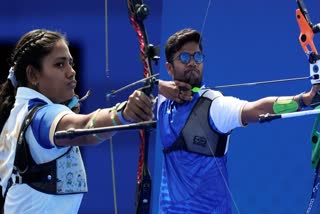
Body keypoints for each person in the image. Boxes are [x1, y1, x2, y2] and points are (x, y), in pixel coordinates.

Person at [157, 28, 319, 213]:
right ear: (169, 68)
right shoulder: (161, 103)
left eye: (198, 57)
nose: (193, 63)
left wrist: (304, 99)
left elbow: (257, 108)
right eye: (185, 58)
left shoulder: (213, 105)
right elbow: (129, 102)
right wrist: (158, 86)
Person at [0, 29, 154, 213]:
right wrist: (123, 113)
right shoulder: (43, 115)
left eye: (71, 64)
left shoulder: (19, 113)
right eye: (59, 65)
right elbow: (82, 127)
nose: (71, 72)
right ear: (33, 75)